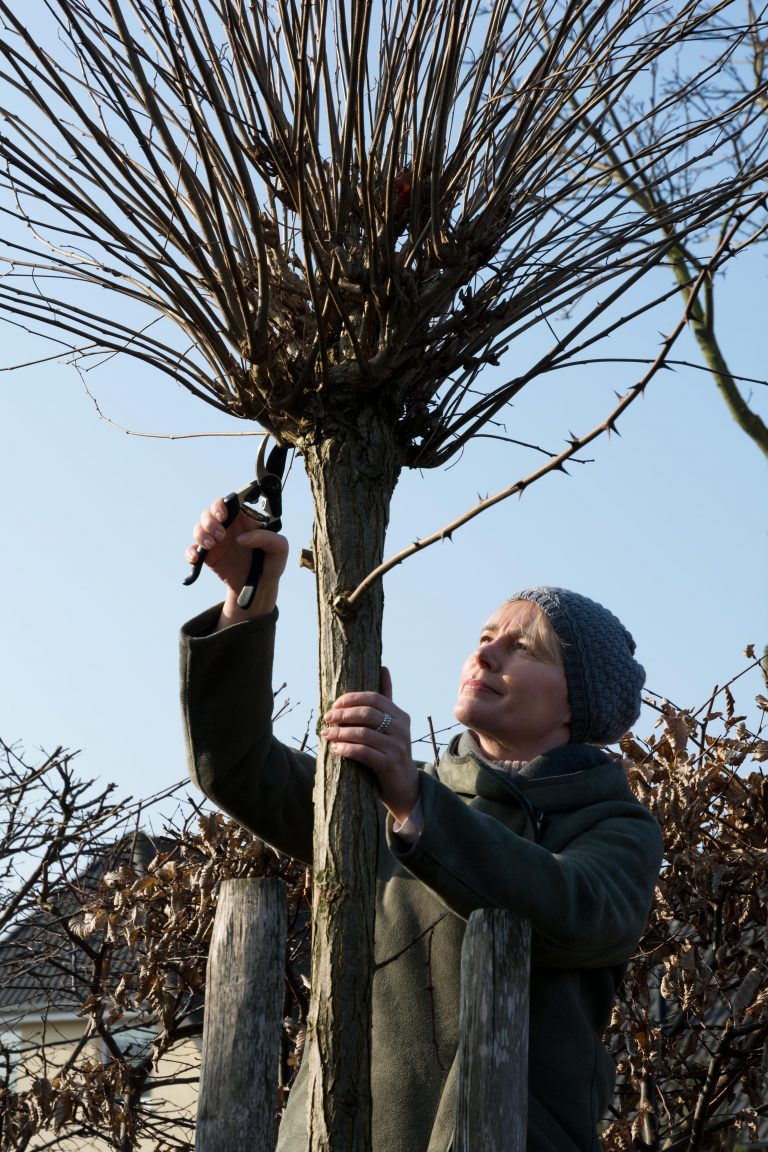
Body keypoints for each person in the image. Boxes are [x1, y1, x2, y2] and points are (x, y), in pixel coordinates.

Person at [180, 502, 664, 1152]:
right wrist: (250, 596)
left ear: (578, 702)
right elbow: (237, 767)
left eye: (524, 647)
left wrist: (416, 807)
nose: (486, 651)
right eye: (486, 635)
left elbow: (569, 910)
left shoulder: (615, 826)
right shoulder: (381, 797)